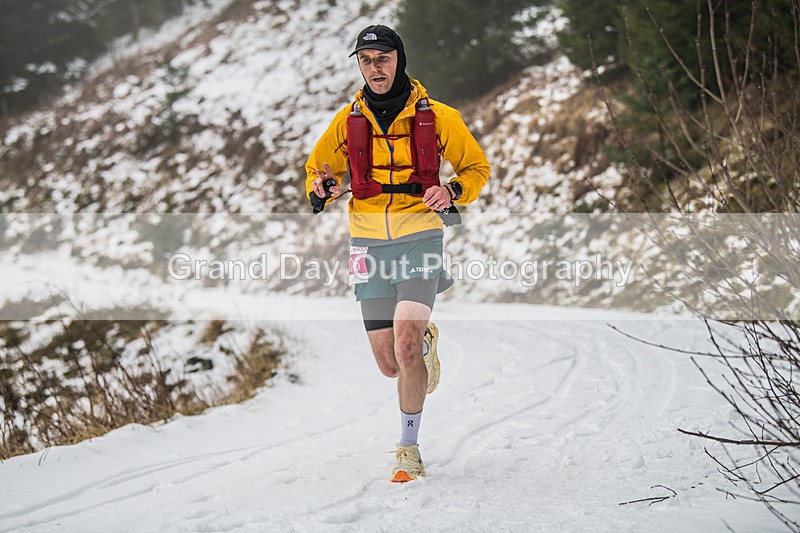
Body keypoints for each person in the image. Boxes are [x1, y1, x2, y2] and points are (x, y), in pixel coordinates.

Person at [305, 24, 489, 482]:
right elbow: (317, 169)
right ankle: (425, 342)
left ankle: (408, 449)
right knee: (390, 364)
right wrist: (321, 187)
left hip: (421, 235)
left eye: (383, 59)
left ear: (398, 60)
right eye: (366, 61)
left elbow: (476, 167)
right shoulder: (347, 120)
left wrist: (454, 191)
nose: (375, 68)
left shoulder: (438, 116)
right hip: (365, 242)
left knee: (404, 347)